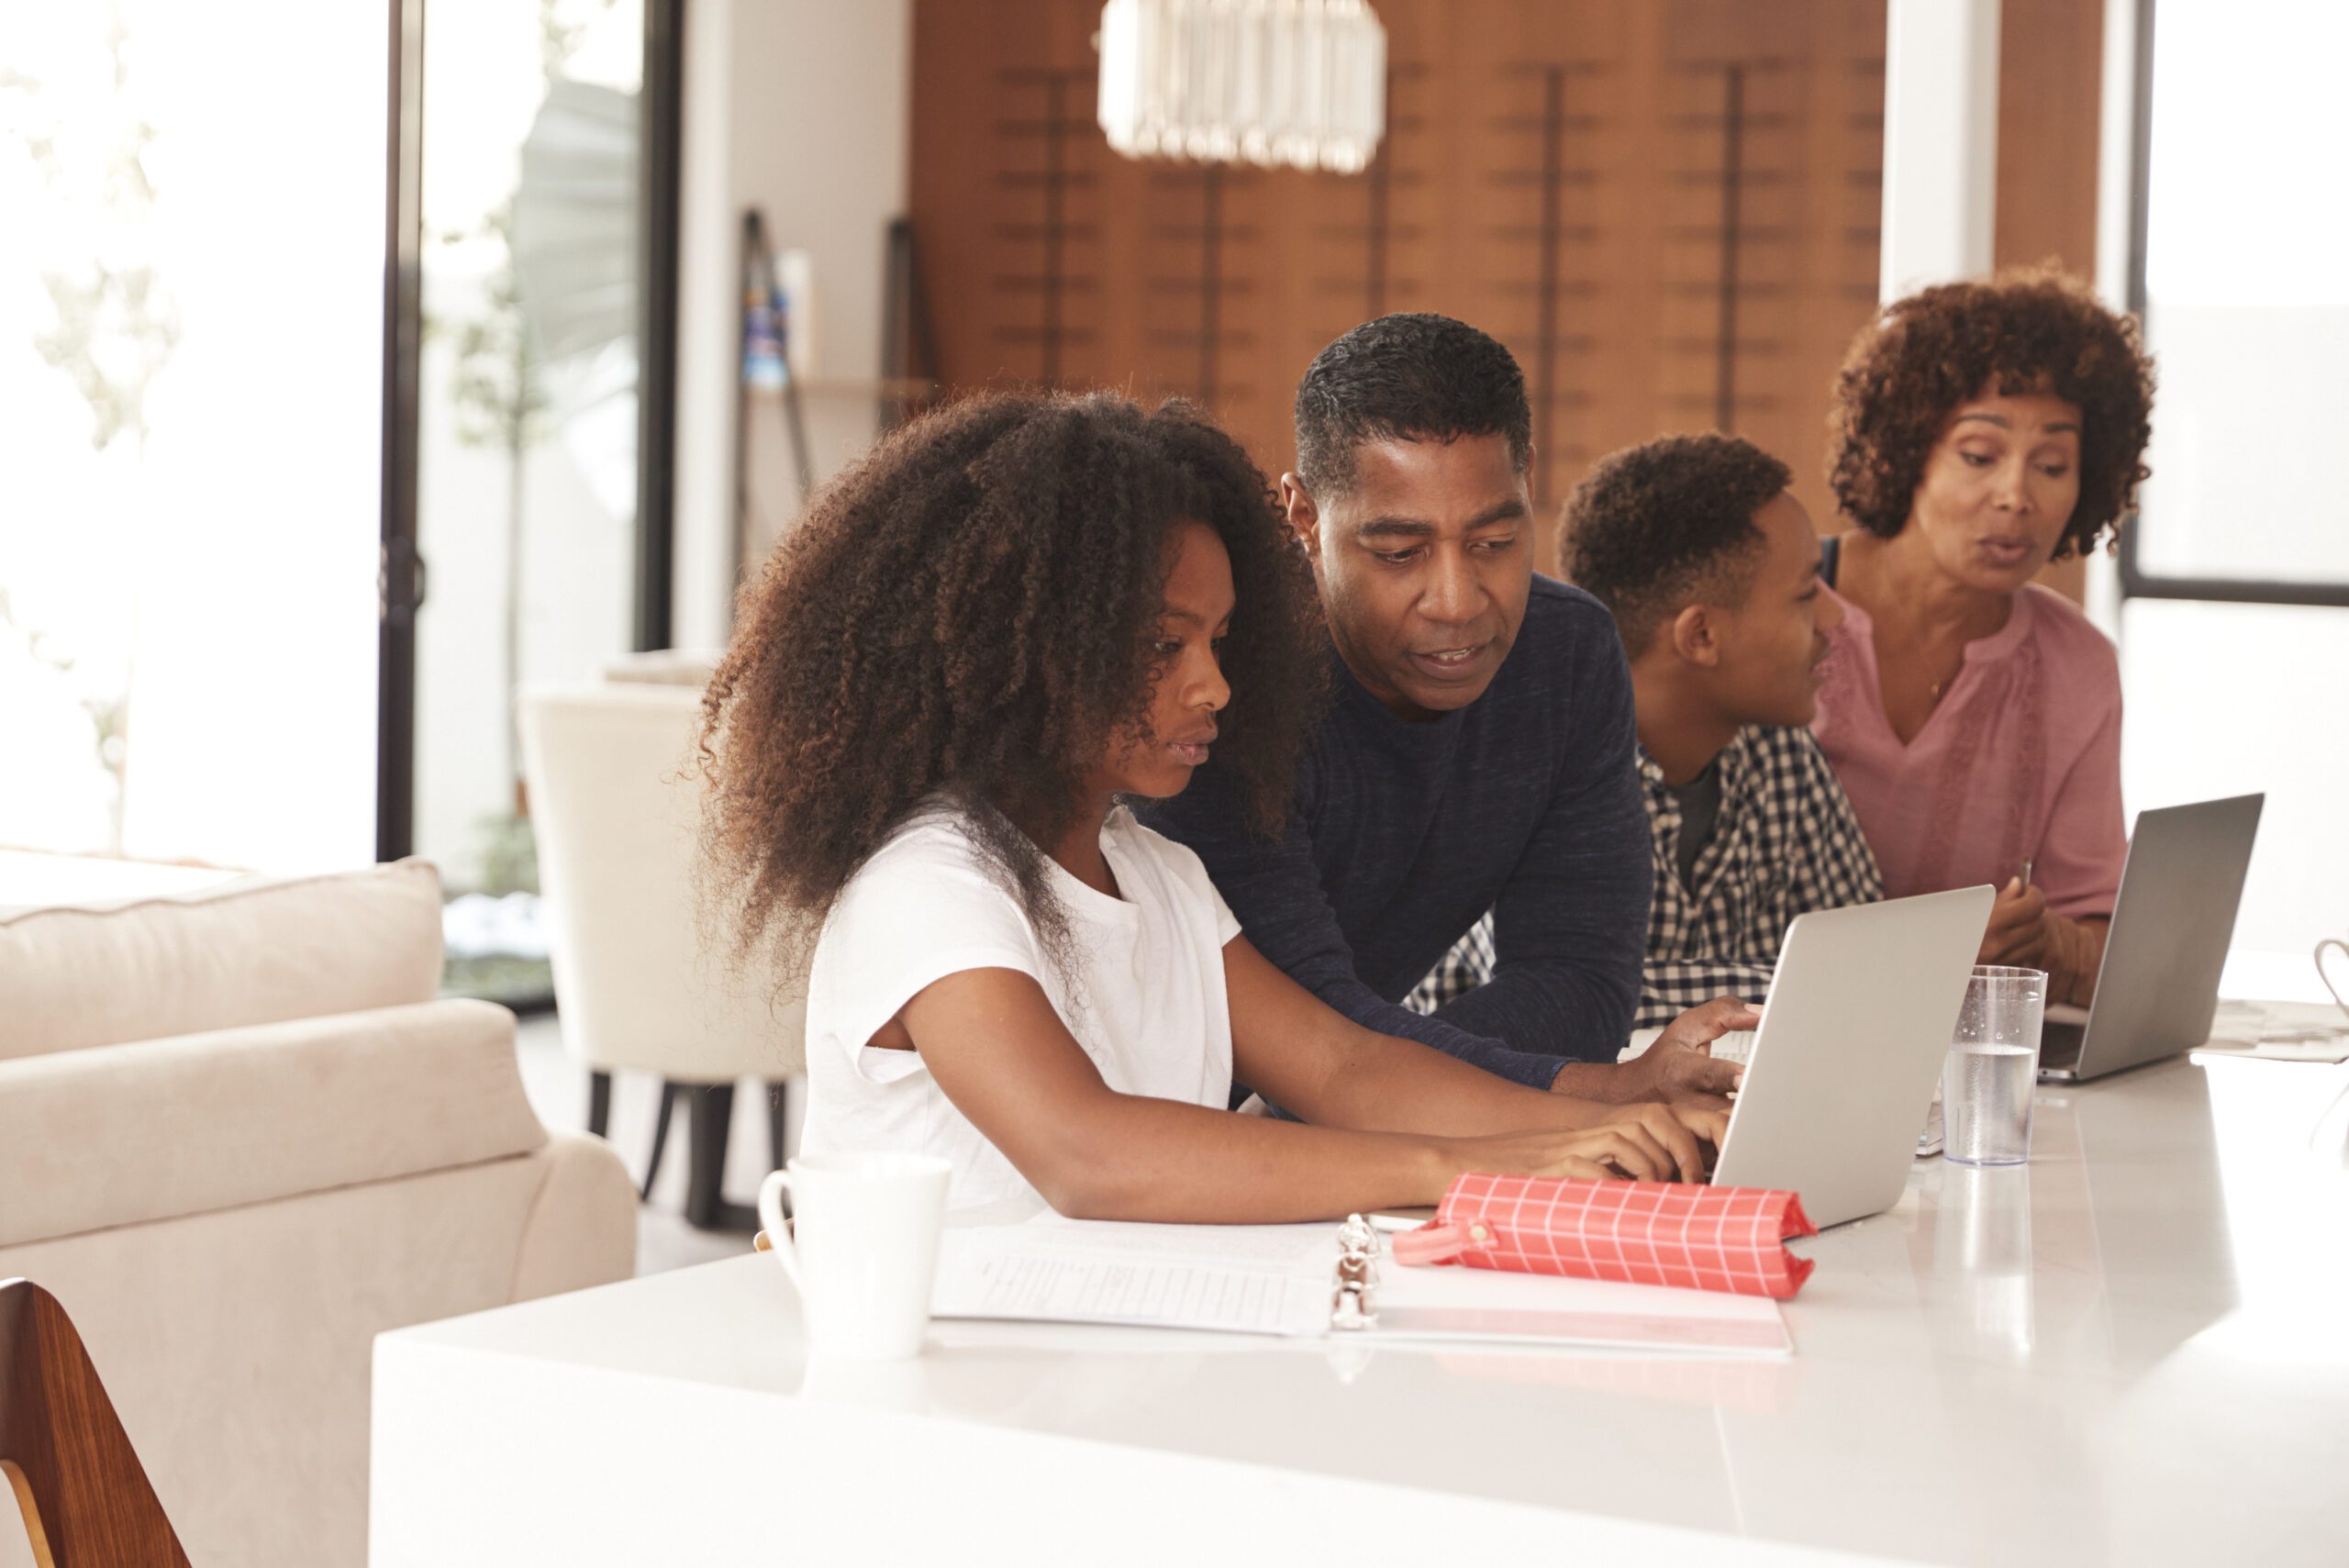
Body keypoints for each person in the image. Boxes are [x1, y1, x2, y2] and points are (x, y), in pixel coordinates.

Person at [697, 391, 1725, 1222]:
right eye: (1161, 646)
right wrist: (1478, 1163)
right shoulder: (929, 885)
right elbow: (1086, 1153)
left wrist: (1589, 1130)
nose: (1214, 688)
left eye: (1221, 642)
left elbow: (1346, 1065)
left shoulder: (1162, 874)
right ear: (1023, 651)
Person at [1140, 314, 1749, 1106]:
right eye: (1399, 553)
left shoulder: (1566, 655)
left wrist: (1471, 1093)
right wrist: (1586, 1092)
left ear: (1529, 480)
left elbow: (1581, 982)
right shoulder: (1218, 689)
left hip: (1341, 1125)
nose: (1459, 603)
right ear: (1303, 517)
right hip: (1163, 1130)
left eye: (1495, 540)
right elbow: (1315, 1033)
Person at [1416, 434, 1881, 1028]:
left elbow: (1866, 967)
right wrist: (1800, 989)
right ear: (1701, 636)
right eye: (1804, 594)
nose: (1836, 616)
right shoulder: (1531, 749)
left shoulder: (1774, 741)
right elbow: (1550, 997)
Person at [1811, 269, 2155, 1006]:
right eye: (1978, 455)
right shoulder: (1781, 608)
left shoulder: (2078, 666)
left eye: (2053, 465)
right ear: (1905, 451)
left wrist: (2040, 942)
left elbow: (2102, 934)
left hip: (1974, 1071)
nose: (2017, 496)